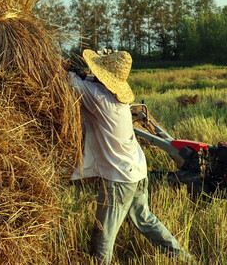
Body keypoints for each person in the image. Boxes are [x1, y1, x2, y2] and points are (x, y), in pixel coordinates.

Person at [68, 49, 192, 264]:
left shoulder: (96, 97)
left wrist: (69, 69)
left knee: (102, 238)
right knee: (146, 220)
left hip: (119, 179)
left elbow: (67, 82)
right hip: (138, 170)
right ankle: (182, 256)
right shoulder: (116, 99)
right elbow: (88, 81)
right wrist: (83, 74)